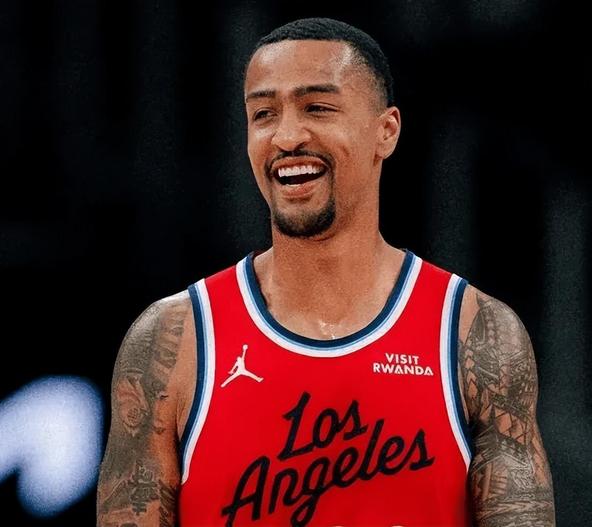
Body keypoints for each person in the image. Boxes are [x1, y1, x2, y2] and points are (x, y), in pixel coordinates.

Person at [97, 17, 555, 527]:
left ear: (386, 131)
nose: (287, 136)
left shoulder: (477, 334)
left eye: (317, 108)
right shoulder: (172, 340)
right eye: (264, 114)